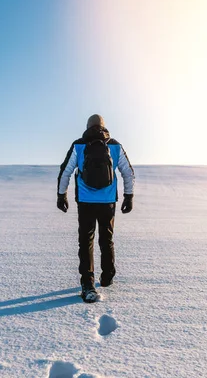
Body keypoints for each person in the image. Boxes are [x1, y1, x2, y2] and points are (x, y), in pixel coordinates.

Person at [57, 114, 135, 303]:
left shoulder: (79, 144)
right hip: (108, 202)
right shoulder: (115, 145)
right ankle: (107, 277)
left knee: (86, 241)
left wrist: (61, 195)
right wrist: (128, 196)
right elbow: (128, 173)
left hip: (85, 201)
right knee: (106, 238)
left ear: (87, 126)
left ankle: (88, 283)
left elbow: (65, 171)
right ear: (103, 126)